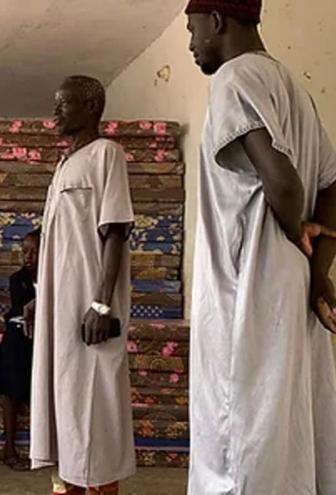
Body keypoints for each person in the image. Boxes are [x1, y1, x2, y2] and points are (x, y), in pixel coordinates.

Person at [185, 0, 336, 492]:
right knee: (287, 436)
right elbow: (332, 186)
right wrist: (318, 274)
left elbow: (286, 187)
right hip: (289, 294)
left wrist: (297, 228)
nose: (190, 42)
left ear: (217, 21)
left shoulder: (233, 77)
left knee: (240, 445)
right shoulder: (295, 89)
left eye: (192, 28)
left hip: (248, 296)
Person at [27, 76, 136, 495]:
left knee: (95, 412)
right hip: (59, 311)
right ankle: (67, 488)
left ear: (91, 107)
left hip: (91, 312)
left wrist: (102, 304)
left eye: (64, 104)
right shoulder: (64, 165)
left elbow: (116, 233)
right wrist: (40, 298)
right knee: (65, 410)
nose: (55, 112)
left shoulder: (107, 154)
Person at [0, 228, 40, 471]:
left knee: (39, 393)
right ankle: (9, 449)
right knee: (11, 389)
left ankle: (41, 451)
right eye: (25, 252)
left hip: (39, 342)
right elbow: (22, 309)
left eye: (34, 252)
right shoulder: (17, 279)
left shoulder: (56, 280)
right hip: (17, 340)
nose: (28, 257)